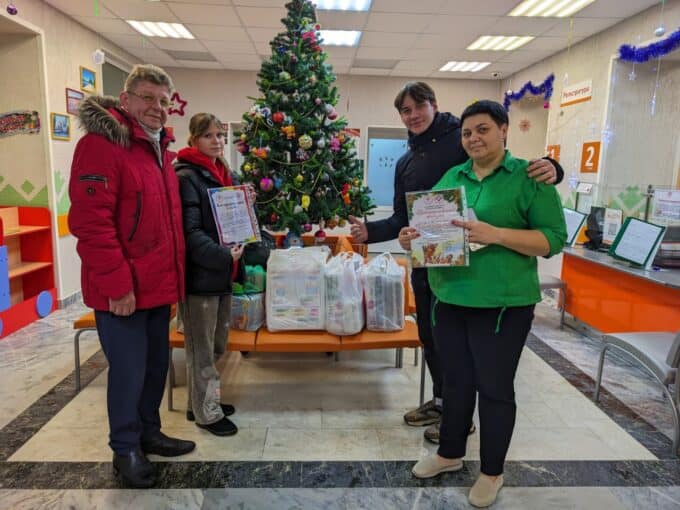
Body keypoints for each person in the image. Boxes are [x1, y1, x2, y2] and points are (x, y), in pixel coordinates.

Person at [348, 82, 563, 444]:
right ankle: (443, 403)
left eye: (418, 107)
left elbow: (507, 167)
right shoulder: (406, 161)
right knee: (433, 341)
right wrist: (369, 232)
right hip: (431, 267)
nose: (412, 116)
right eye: (405, 111)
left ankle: (460, 418)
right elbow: (404, 217)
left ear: (434, 105)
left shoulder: (459, 141)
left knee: (474, 362)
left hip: (480, 279)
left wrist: (553, 167)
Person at [404, 100, 566, 507]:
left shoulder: (530, 177)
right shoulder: (453, 176)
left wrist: (497, 234)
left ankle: (492, 472)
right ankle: (449, 454)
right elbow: (435, 232)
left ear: (504, 129)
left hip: (502, 306)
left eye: (483, 129)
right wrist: (413, 238)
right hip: (449, 298)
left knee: (494, 388)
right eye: (466, 133)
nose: (473, 139)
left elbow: (552, 239)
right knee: (455, 383)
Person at [69, 64, 195, 489]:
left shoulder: (157, 150)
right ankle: (125, 451)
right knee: (128, 373)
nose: (157, 107)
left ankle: (149, 433)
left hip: (157, 287)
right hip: (122, 292)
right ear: (125, 100)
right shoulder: (101, 146)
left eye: (163, 101)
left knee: (155, 367)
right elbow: (91, 224)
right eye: (147, 98)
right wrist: (118, 285)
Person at [174, 113, 245, 437]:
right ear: (194, 140)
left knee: (216, 346)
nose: (217, 141)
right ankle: (207, 413)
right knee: (201, 351)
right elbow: (190, 233)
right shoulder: (187, 176)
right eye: (209, 135)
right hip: (200, 278)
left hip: (221, 274)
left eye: (220, 134)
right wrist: (222, 255)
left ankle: (199, 402)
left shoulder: (222, 173)